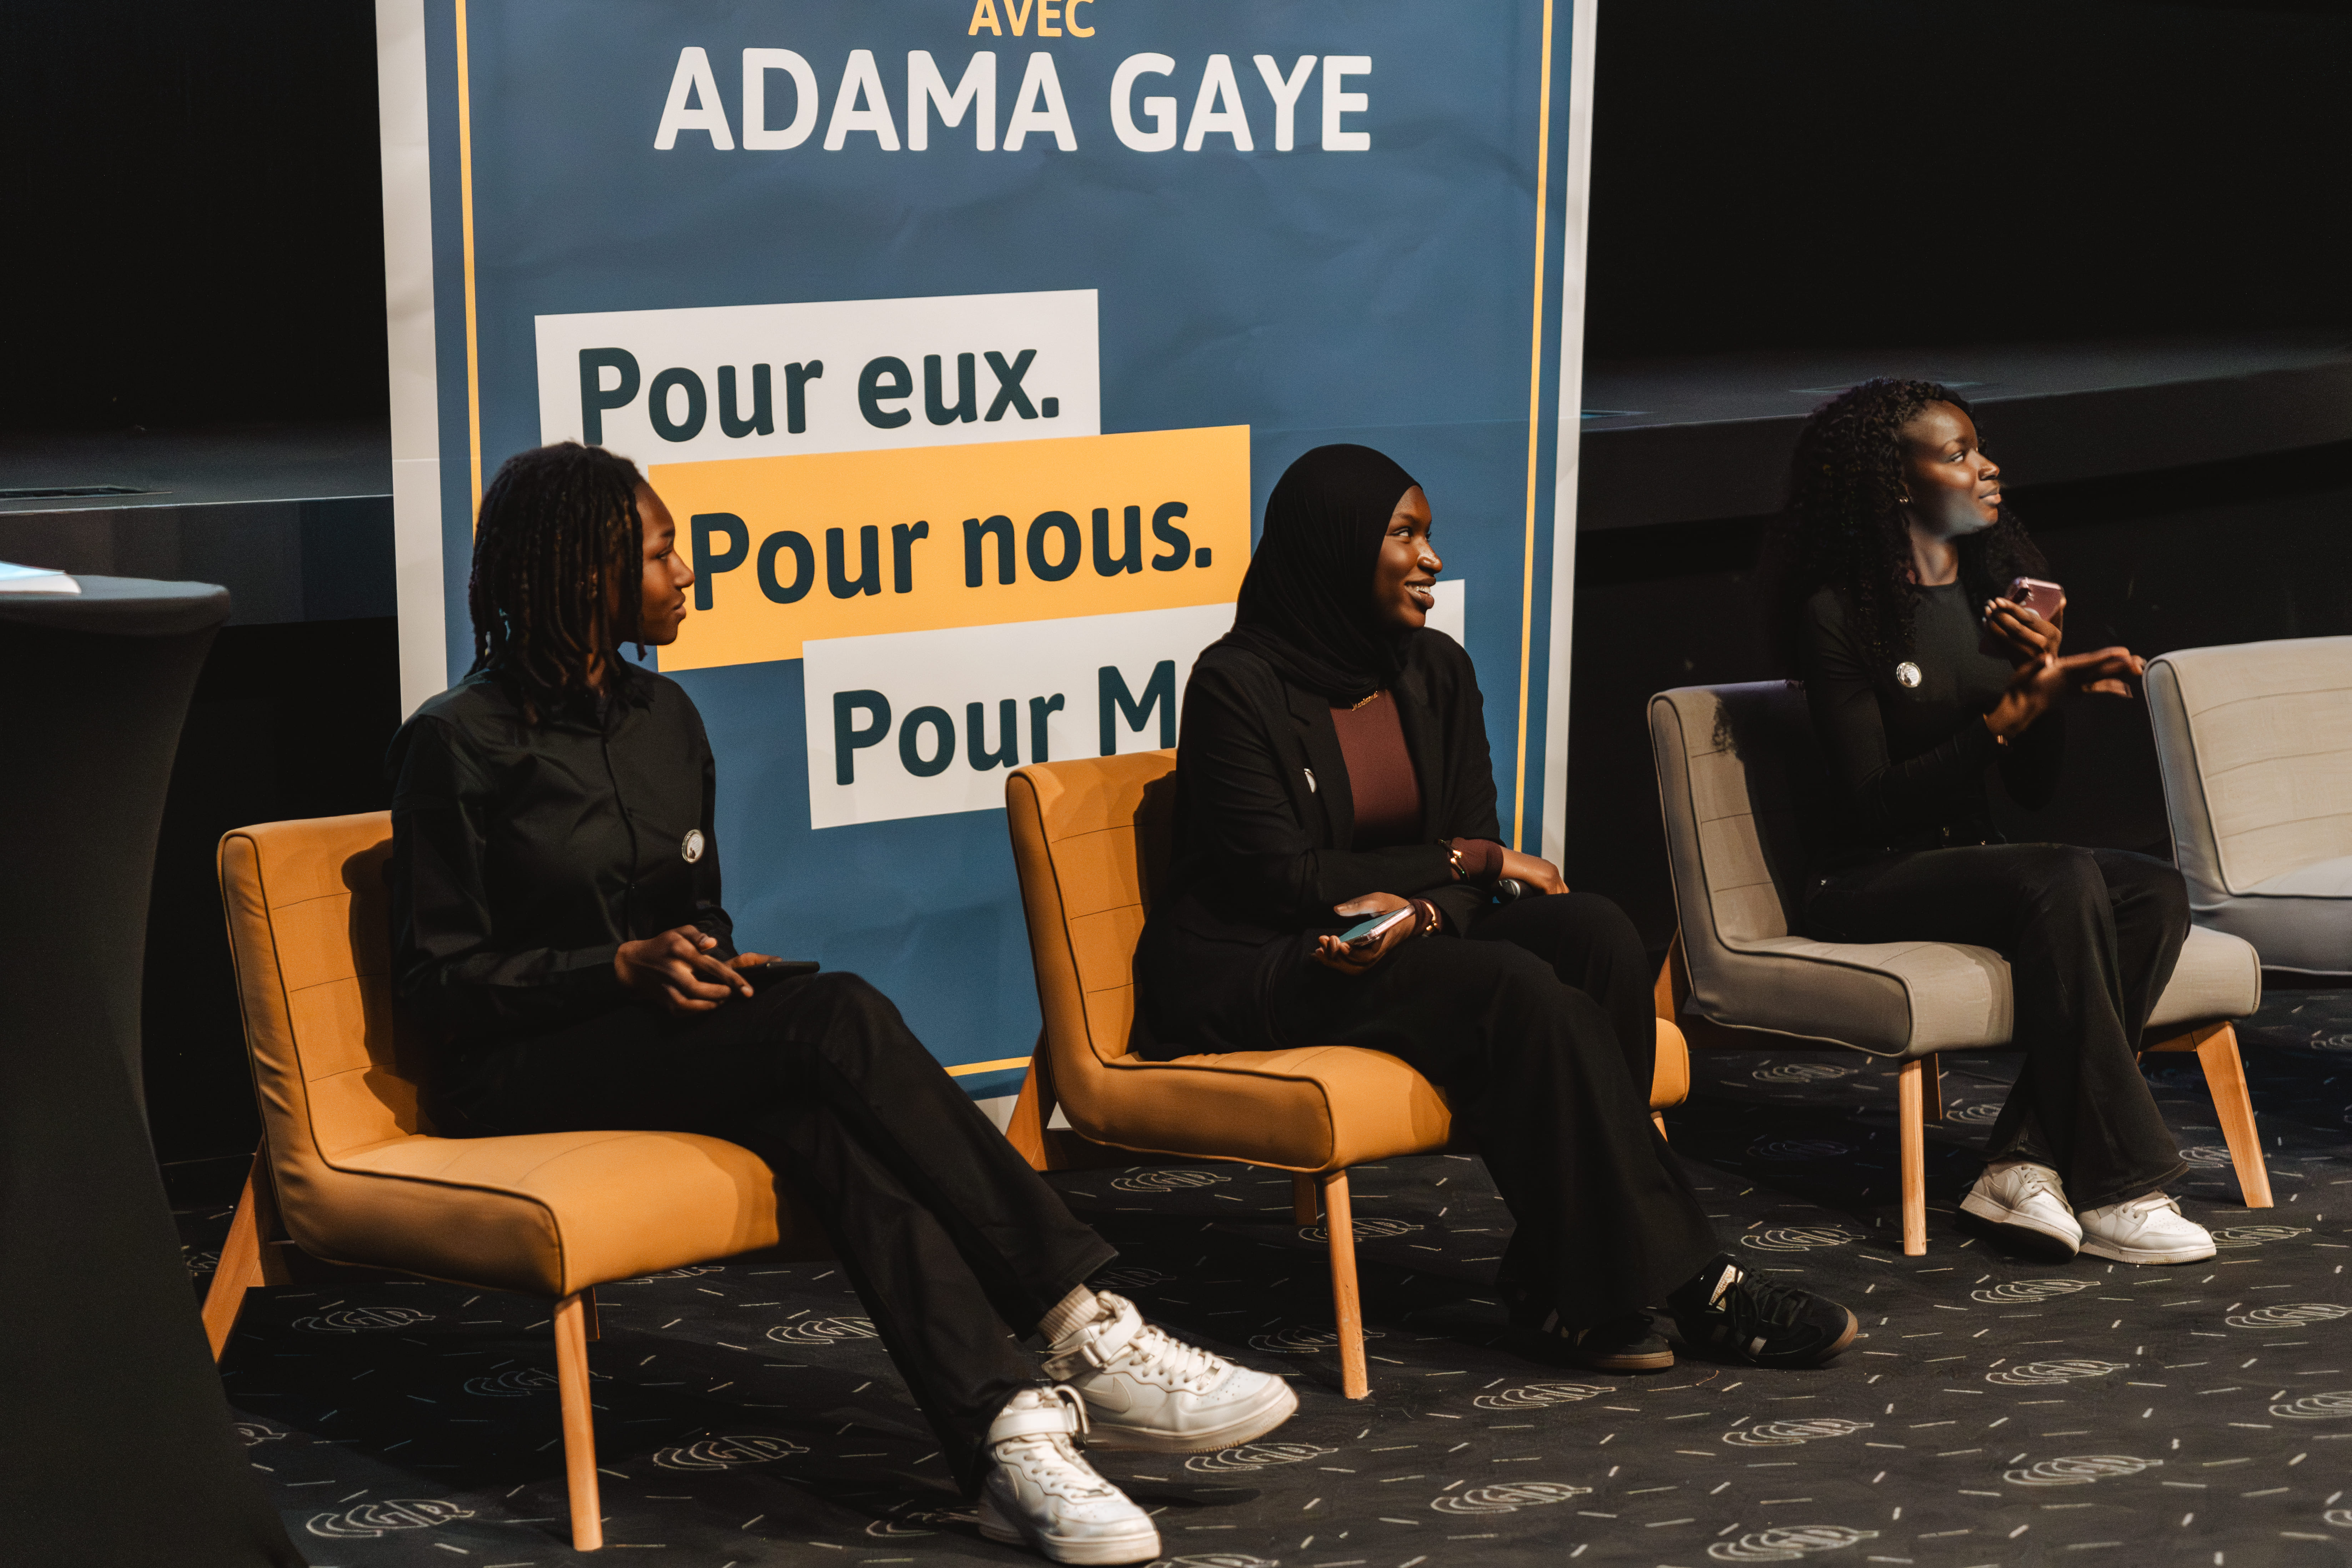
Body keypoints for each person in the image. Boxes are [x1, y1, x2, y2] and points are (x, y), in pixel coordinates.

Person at [387, 441, 1298, 1567]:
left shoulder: (667, 717)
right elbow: (439, 985)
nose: (687, 573)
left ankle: (1006, 1443)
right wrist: (613, 970)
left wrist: (711, 966)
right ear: (582, 573)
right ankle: (1081, 1324)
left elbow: (697, 915)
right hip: (515, 1069)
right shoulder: (456, 742)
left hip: (649, 1041)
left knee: (826, 1120)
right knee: (835, 1013)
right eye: (662, 553)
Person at [1135, 443, 1857, 1373]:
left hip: (1402, 940)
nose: (1431, 558)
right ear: (1335, 548)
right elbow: (1283, 876)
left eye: (1428, 534)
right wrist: (1456, 863)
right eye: (1405, 535)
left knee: (1595, 933)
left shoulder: (1434, 669)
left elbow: (1477, 860)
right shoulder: (1237, 684)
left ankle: (1562, 1282)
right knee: (1514, 987)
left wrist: (1429, 908)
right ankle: (1697, 1287)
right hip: (1274, 961)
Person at [1762, 378, 2213, 1266]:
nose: (1988, 467)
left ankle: (2021, 1162)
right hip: (1863, 877)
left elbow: (2035, 794)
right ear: (1897, 483)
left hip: (1969, 860)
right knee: (2060, 876)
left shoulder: (1994, 602)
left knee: (2151, 889)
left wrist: (2040, 688)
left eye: (1980, 448)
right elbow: (1872, 801)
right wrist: (2009, 716)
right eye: (1959, 453)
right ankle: (2118, 1185)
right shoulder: (1839, 615)